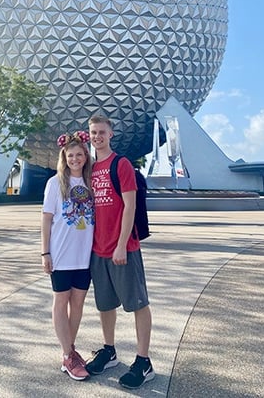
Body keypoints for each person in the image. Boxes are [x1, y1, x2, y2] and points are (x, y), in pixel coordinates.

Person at [85, 115, 155, 389]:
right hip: (97, 249)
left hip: (122, 248)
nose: (97, 136)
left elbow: (130, 205)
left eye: (101, 132)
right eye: (93, 132)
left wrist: (122, 244)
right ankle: (109, 350)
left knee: (138, 303)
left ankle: (143, 360)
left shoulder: (121, 164)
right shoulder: (91, 169)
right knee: (105, 304)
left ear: (111, 134)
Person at [41, 131, 94, 381]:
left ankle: (70, 351)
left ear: (85, 156)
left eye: (79, 154)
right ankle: (67, 354)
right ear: (64, 157)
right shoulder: (55, 183)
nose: (75, 158)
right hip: (61, 254)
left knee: (78, 304)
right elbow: (46, 219)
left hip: (84, 255)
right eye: (70, 155)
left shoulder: (91, 182)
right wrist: (45, 252)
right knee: (61, 302)